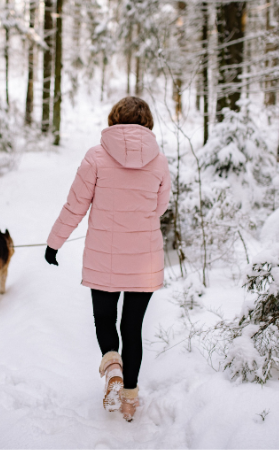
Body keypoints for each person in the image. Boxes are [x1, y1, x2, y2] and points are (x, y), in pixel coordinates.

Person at [44, 96, 171, 422]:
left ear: (114, 119)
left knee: (104, 320)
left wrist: (54, 243)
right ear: (147, 124)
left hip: (104, 256)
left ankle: (112, 368)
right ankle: (129, 400)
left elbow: (75, 205)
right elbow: (160, 207)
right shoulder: (159, 161)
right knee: (133, 328)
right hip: (144, 258)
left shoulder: (96, 156)